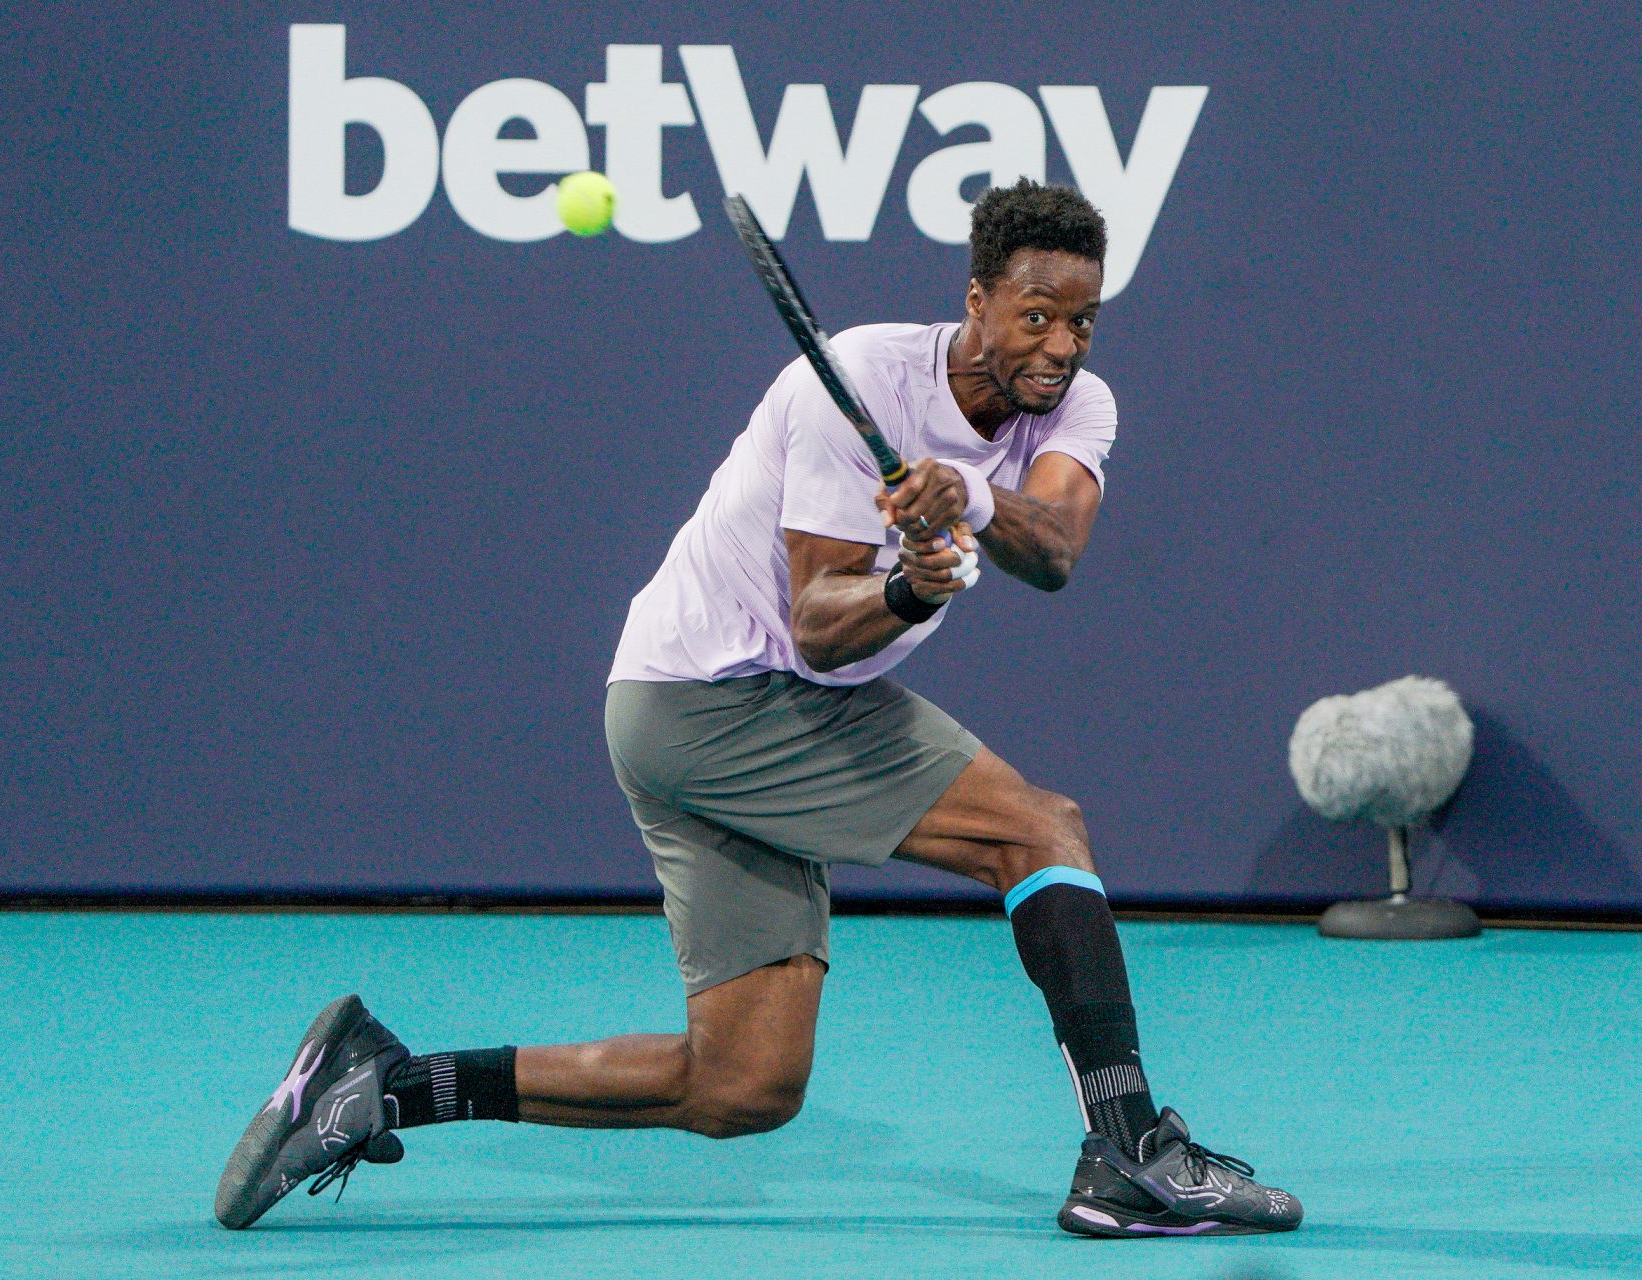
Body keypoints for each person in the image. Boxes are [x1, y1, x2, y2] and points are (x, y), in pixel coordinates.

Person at [214, 179, 1301, 1238]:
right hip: (708, 699)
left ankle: (384, 1085)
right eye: (1034, 316)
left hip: (756, 705)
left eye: (1081, 320)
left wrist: (964, 496)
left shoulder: (1076, 406)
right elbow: (824, 623)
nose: (1060, 345)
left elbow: (1055, 548)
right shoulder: (861, 381)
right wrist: (913, 583)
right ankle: (1130, 1149)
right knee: (1039, 829)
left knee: (744, 1083)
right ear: (975, 300)